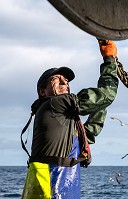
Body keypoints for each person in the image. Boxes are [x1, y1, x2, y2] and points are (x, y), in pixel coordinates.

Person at [21, 39, 119, 199]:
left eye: (66, 80)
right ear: (42, 91)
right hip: (50, 190)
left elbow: (89, 133)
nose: (64, 82)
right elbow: (107, 94)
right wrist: (109, 61)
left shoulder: (61, 119)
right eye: (56, 79)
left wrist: (101, 103)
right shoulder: (54, 104)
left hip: (57, 190)